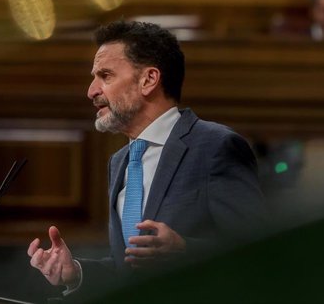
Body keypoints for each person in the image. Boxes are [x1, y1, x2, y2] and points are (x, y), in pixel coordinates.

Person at [27, 20, 266, 300]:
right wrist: (76, 272)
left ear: (149, 80)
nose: (91, 91)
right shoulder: (119, 162)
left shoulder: (215, 146)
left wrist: (183, 250)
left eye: (105, 76)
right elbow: (129, 271)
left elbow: (260, 254)